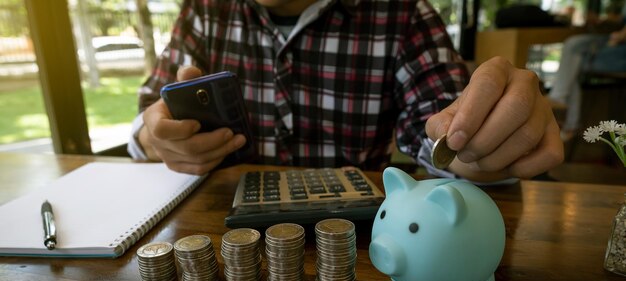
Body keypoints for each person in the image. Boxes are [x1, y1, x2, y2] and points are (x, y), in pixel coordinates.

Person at [128, 0, 563, 184]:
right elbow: (152, 109)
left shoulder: (402, 13)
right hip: (216, 242)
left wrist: (486, 140)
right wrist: (154, 138)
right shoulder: (204, 9)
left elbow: (441, 125)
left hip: (366, 245)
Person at [549, 1, 626, 140]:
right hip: (614, 41)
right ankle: (569, 119)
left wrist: (620, 36)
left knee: (573, 61)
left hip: (620, 50)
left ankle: (565, 110)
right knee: (573, 53)